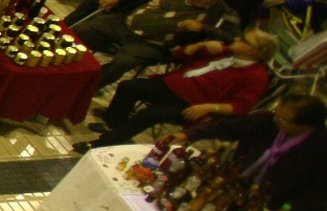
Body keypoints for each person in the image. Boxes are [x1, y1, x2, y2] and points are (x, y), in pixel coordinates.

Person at [164, 93, 327, 211]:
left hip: (269, 207)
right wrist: (187, 135)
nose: (275, 119)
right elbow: (227, 127)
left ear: (305, 126)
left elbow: (318, 195)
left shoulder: (320, 149)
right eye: (276, 113)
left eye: (282, 119)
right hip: (233, 188)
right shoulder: (266, 120)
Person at [84, 32, 277, 149]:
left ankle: (101, 144)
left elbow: (241, 107)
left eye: (244, 40)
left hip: (192, 104)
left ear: (253, 51)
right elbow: (178, 55)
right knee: (129, 87)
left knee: (150, 114)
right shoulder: (225, 51)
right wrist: (199, 45)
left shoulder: (256, 76)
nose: (237, 38)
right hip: (171, 84)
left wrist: (209, 107)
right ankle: (114, 126)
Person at [74, 0, 240, 86]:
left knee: (123, 62)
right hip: (124, 23)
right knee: (83, 30)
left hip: (153, 45)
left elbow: (234, 38)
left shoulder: (222, 12)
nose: (209, 1)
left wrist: (204, 28)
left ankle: (85, 86)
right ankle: (65, 67)